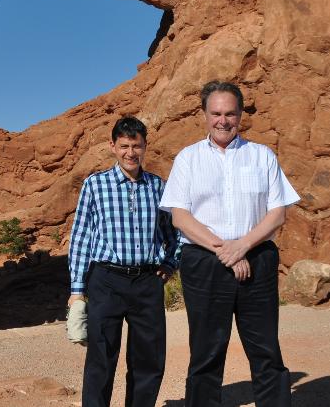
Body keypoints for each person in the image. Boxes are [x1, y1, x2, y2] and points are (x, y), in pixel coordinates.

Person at [160, 80, 299, 407]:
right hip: (205, 262)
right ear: (204, 115)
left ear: (240, 115)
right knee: (206, 353)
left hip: (258, 259)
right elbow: (180, 217)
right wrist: (227, 249)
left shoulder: (261, 156)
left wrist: (243, 246)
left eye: (230, 113)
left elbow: (277, 213)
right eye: (216, 113)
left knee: (265, 350)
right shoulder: (188, 159)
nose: (223, 120)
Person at [68, 116, 180, 407]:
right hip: (106, 280)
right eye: (124, 146)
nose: (131, 153)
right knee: (101, 358)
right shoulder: (95, 185)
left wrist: (169, 264)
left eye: (137, 146)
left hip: (147, 282)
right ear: (113, 146)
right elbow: (80, 237)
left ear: (145, 146)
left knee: (149, 359)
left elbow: (175, 233)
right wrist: (77, 290)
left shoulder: (158, 187)